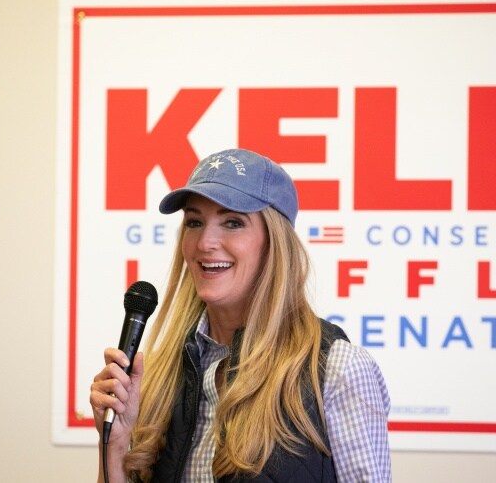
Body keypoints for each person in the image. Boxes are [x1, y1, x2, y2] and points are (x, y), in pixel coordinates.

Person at [90, 148, 392, 482]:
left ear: (274, 243)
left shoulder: (337, 369)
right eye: (194, 222)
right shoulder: (158, 375)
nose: (205, 242)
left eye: (233, 222)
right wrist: (114, 449)